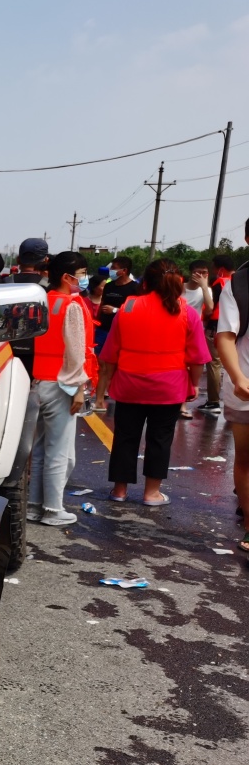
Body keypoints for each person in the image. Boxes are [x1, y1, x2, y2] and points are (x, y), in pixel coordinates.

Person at [99, 259, 210, 506]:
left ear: (145, 282)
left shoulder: (127, 308)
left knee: (125, 437)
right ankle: (151, 494)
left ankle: (119, 491)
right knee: (160, 439)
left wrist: (107, 383)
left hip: (129, 384)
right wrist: (193, 386)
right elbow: (197, 358)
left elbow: (110, 354)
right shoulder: (186, 312)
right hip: (168, 388)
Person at [27, 251, 96, 526]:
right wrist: (79, 387)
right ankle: (54, 510)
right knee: (60, 451)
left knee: (41, 449)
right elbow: (76, 350)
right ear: (67, 277)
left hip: (37, 382)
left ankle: (34, 506)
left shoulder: (41, 302)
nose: (83, 278)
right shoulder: (72, 306)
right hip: (61, 384)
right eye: (81, 273)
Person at [214, 219, 249, 553]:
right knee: (247, 458)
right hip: (246, 388)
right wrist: (238, 379)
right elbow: (224, 335)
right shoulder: (237, 284)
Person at [95, 255, 139, 405]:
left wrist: (115, 311)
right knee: (101, 363)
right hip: (103, 329)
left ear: (124, 270)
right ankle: (99, 398)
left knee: (116, 365)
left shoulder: (135, 288)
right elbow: (102, 304)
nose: (111, 270)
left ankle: (114, 391)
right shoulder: (109, 286)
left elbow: (136, 311)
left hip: (122, 331)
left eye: (114, 268)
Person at [7, 238, 50, 377]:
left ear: (18, 260)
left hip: (7, 349)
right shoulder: (50, 287)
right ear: (46, 261)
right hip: (40, 352)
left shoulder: (4, 283)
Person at [199, 254, 235, 415]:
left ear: (220, 269)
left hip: (217, 328)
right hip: (236, 329)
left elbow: (210, 308)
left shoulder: (219, 284)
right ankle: (234, 400)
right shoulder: (240, 282)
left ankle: (213, 402)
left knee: (214, 364)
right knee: (233, 365)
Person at [180, 259, 215, 418]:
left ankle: (183, 404)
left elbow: (209, 309)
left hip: (195, 330)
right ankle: (179, 403)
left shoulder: (206, 290)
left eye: (204, 273)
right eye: (198, 272)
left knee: (192, 366)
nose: (201, 275)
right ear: (191, 272)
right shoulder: (181, 288)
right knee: (180, 366)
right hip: (178, 329)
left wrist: (204, 287)